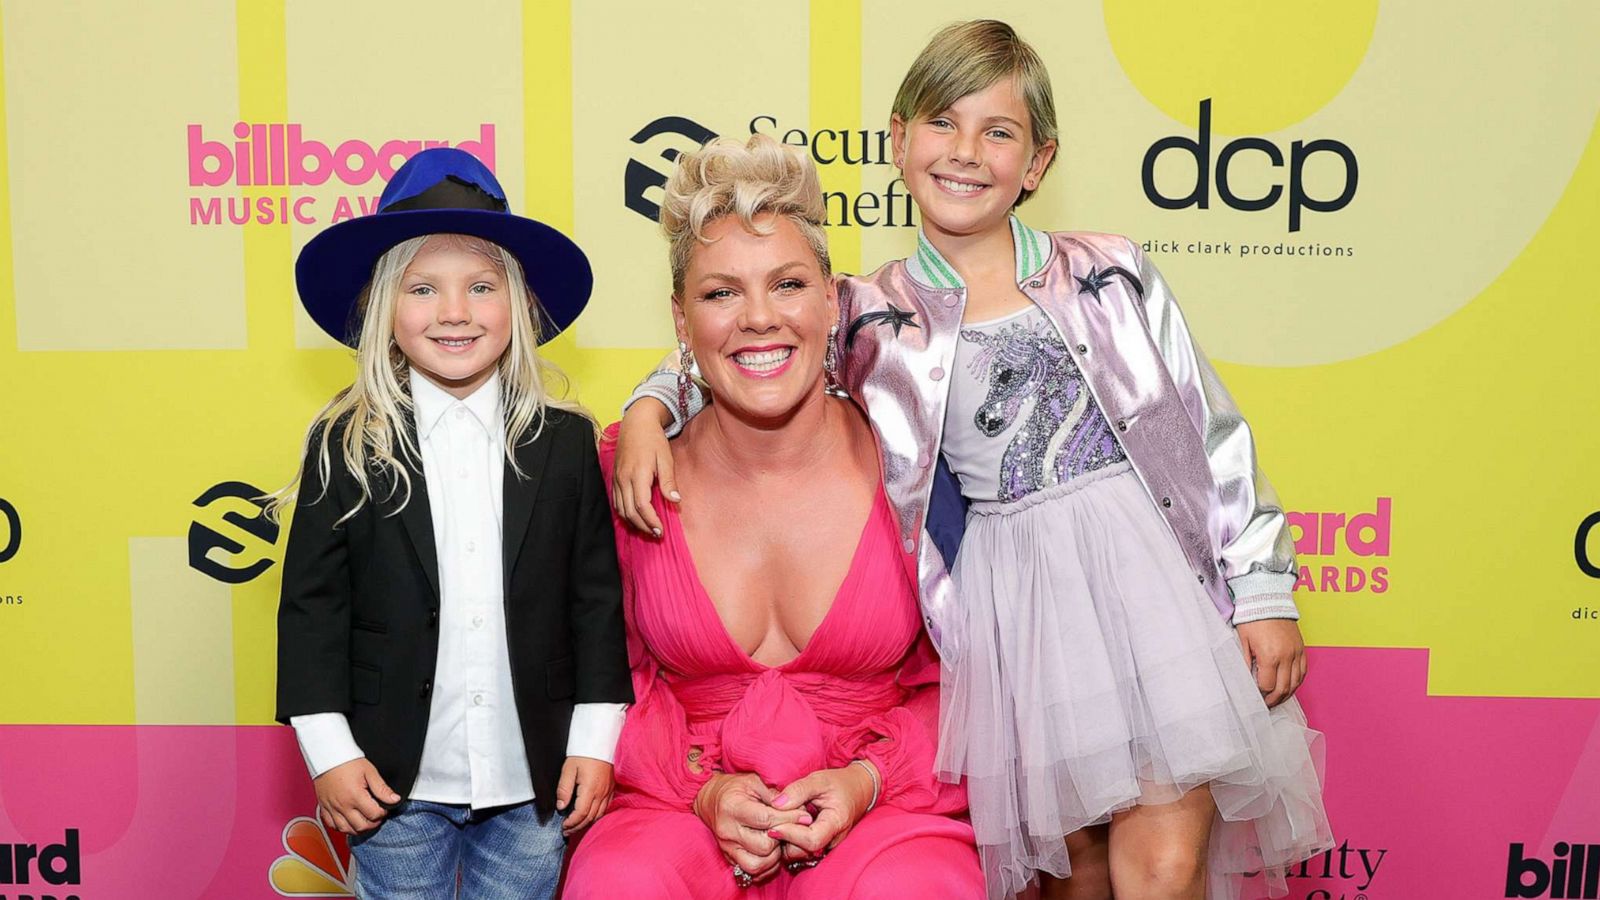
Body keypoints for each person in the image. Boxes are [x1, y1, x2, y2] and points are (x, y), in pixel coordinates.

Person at [613, 20, 1332, 900]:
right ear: (898, 140)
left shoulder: (1109, 270)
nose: (965, 152)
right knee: (1077, 871)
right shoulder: (869, 311)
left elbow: (1207, 430)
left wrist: (1260, 587)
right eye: (942, 124)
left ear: (1038, 163)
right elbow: (751, 333)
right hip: (1015, 614)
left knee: (1163, 865)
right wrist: (650, 408)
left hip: (1146, 595)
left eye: (998, 132)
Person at [562, 135, 984, 899]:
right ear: (681, 322)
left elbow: (978, 671)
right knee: (618, 884)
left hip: (885, 807)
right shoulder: (626, 472)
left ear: (832, 298)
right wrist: (703, 790)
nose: (758, 318)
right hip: (675, 807)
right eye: (721, 293)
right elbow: (596, 674)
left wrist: (866, 777)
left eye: (787, 285)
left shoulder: (919, 464)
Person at [272, 147, 632, 899]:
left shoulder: (564, 441)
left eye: (480, 286)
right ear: (380, 306)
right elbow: (311, 613)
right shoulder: (344, 442)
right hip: (388, 781)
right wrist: (328, 750)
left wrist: (595, 743)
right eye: (424, 288)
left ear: (521, 305)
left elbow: (595, 603)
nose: (455, 312)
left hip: (532, 777)